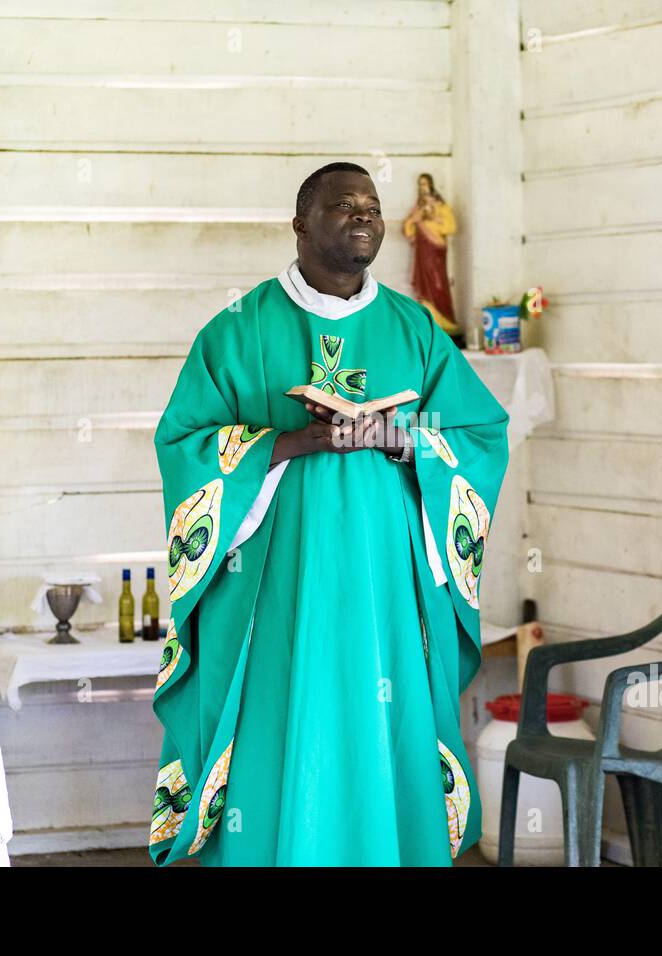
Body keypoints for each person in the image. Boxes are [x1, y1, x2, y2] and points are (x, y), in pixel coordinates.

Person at [148, 162, 510, 866]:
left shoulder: (416, 329)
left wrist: (402, 438)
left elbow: (480, 436)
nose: (364, 215)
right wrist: (293, 441)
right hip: (276, 579)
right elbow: (184, 446)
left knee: (384, 718)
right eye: (343, 205)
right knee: (285, 722)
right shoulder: (238, 330)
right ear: (300, 224)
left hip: (386, 585)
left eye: (372, 205)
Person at [402, 173, 459, 340]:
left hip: (436, 251)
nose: (423, 187)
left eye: (425, 184)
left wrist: (435, 217)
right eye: (420, 184)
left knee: (438, 284)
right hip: (422, 253)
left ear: (431, 185)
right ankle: (430, 322)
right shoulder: (418, 208)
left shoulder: (440, 206)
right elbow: (407, 230)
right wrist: (415, 219)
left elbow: (451, 227)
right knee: (424, 285)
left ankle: (445, 323)